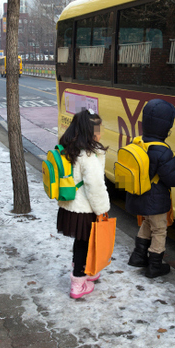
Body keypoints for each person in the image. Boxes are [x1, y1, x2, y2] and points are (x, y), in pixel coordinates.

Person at [126, 99, 175, 278]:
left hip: (140, 197)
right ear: (166, 127)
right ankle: (154, 265)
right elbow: (172, 178)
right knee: (159, 230)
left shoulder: (138, 143)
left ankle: (138, 256)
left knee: (147, 222)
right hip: (156, 200)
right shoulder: (162, 151)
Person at [56, 109, 110, 298]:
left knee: (80, 241)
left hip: (69, 206)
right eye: (97, 130)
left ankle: (86, 269)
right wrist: (102, 210)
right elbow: (95, 186)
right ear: (89, 131)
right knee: (84, 244)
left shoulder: (67, 147)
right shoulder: (88, 155)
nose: (100, 133)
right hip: (84, 209)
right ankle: (78, 283)